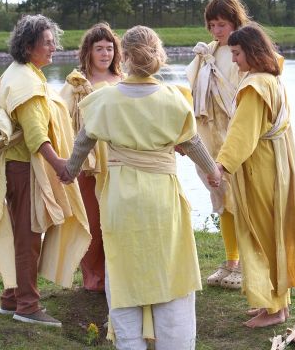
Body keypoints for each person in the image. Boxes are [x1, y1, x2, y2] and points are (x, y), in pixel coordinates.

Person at [60, 25, 220, 349]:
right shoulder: (173, 99)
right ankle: (174, 341)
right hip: (162, 197)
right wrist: (213, 172)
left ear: (125, 57)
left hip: (121, 198)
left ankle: (130, 343)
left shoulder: (104, 99)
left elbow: (83, 141)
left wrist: (69, 171)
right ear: (158, 55)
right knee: (170, 268)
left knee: (123, 270)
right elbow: (193, 143)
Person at [209, 23, 295, 328]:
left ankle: (274, 308)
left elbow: (242, 134)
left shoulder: (255, 87)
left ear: (252, 52)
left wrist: (221, 166)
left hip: (260, 169)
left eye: (237, 53)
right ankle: (275, 302)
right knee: (272, 232)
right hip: (276, 164)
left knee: (263, 235)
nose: (234, 60)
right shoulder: (272, 79)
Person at [0, 14, 91, 327]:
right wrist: (61, 165)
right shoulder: (27, 82)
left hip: (14, 167)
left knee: (20, 233)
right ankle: (28, 306)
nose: (53, 47)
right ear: (28, 46)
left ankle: (11, 298)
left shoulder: (19, 73)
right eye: (47, 42)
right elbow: (36, 136)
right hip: (23, 168)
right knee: (28, 236)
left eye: (53, 41)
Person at [185, 0, 251, 289]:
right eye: (211, 25)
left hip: (235, 132)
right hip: (210, 133)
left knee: (242, 199)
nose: (216, 31)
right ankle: (231, 260)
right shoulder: (206, 53)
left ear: (235, 22)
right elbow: (191, 92)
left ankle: (247, 263)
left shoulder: (245, 50)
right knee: (221, 198)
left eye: (221, 24)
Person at [60, 23, 122, 293]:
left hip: (118, 160)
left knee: (116, 219)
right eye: (99, 49)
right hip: (88, 163)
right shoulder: (76, 84)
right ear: (88, 51)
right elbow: (62, 119)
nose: (105, 54)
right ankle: (94, 277)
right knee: (92, 221)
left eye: (109, 48)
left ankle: (117, 274)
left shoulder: (123, 80)